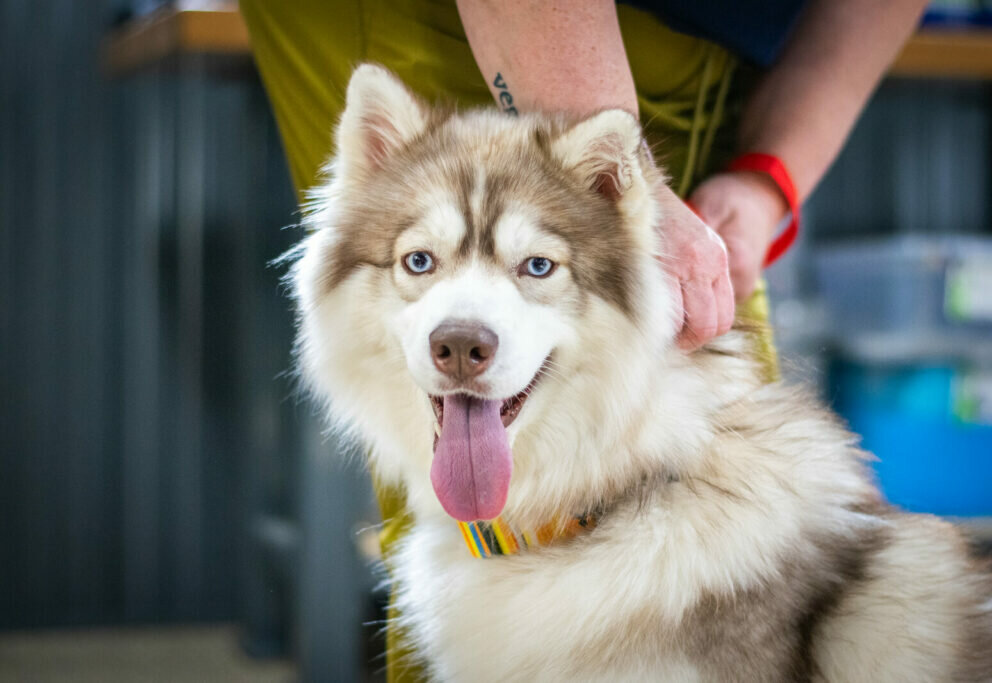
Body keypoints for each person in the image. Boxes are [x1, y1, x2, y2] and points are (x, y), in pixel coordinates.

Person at [239, 1, 927, 679]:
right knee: (463, 521)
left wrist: (769, 179)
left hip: (731, 57)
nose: (464, 335)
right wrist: (636, 195)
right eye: (420, 260)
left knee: (735, 464)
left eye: (536, 264)